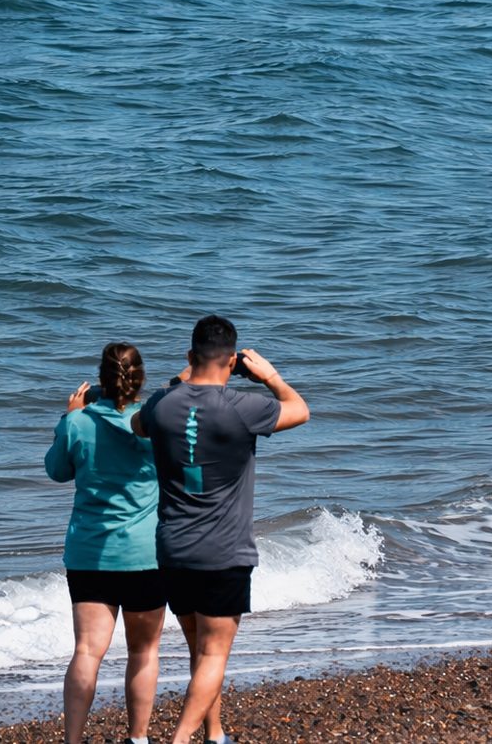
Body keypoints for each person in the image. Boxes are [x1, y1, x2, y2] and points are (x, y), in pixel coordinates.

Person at [131, 316, 309, 744]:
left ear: (190, 357)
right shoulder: (244, 407)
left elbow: (138, 425)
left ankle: (216, 733)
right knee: (214, 655)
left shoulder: (160, 405)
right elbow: (300, 410)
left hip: (174, 549)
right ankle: (180, 740)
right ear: (233, 361)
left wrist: (182, 378)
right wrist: (269, 376)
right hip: (224, 552)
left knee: (200, 651)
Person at [45, 343, 166, 744]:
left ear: (100, 379)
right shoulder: (153, 425)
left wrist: (70, 416)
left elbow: (56, 471)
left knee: (87, 651)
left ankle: (73, 740)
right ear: (139, 380)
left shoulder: (78, 422)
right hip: (144, 555)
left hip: (89, 555)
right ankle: (138, 737)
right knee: (143, 652)